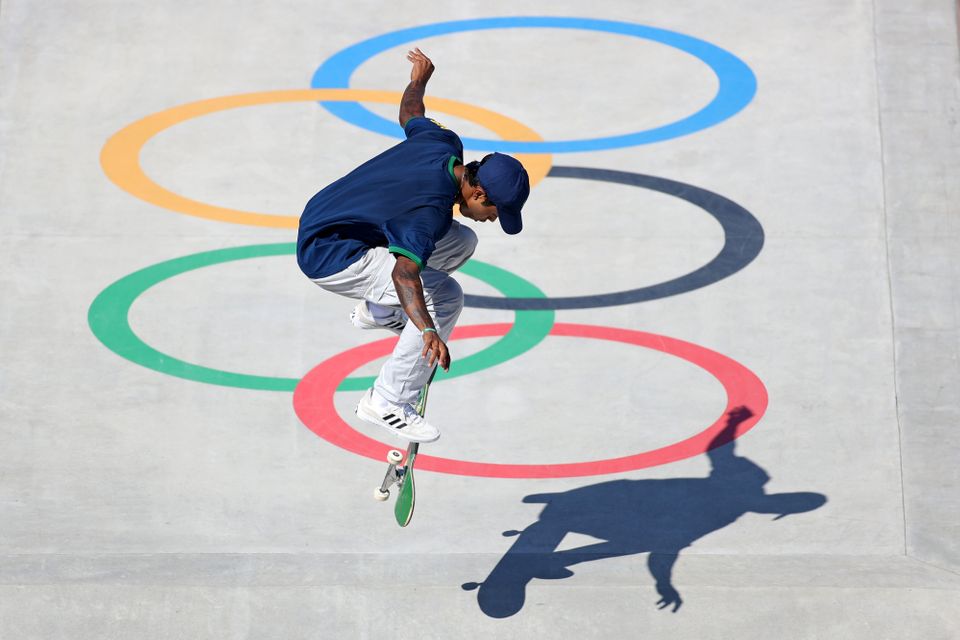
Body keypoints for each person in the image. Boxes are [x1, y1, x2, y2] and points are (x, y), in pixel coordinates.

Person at [296, 48, 530, 444]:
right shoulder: (430, 212)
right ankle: (387, 399)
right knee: (446, 298)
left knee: (461, 240)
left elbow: (410, 113)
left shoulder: (443, 145)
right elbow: (404, 272)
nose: (493, 220)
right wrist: (426, 330)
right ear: (478, 190)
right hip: (332, 255)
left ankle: (376, 311)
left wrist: (419, 78)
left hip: (330, 219)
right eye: (495, 211)